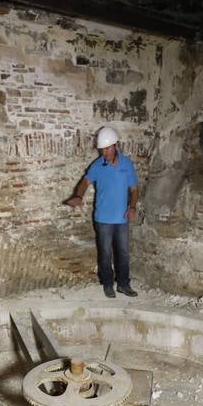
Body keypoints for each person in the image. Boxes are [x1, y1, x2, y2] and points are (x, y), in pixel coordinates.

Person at [65, 126, 138, 298]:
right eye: (102, 149)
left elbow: (134, 190)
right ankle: (107, 284)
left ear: (115, 145)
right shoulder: (97, 165)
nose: (104, 153)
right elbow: (85, 182)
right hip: (103, 219)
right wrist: (78, 195)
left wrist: (133, 207)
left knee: (124, 253)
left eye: (107, 148)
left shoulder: (127, 164)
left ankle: (124, 284)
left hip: (121, 218)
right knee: (105, 253)